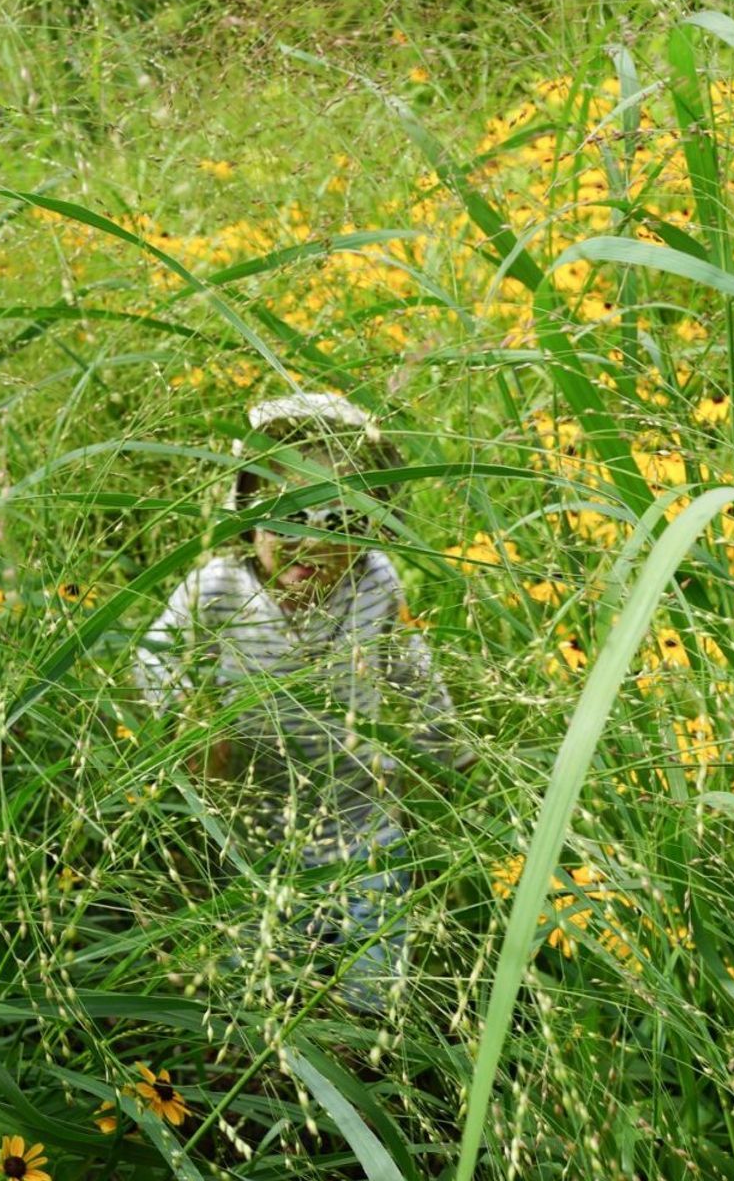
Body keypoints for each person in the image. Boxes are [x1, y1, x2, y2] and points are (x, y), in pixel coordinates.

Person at [132, 391, 470, 1016]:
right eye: (289, 516)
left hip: (363, 822)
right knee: (256, 988)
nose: (312, 543)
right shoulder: (216, 586)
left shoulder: (373, 581)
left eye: (341, 522)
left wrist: (446, 750)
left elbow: (410, 670)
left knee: (371, 991)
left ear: (370, 526)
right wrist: (187, 726)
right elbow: (154, 657)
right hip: (254, 827)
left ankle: (362, 1052)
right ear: (248, 510)